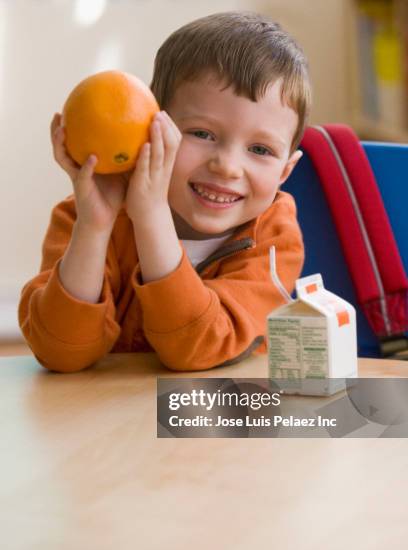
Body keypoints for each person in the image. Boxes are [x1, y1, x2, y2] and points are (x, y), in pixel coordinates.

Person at [18, 11, 312, 373]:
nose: (228, 167)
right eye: (202, 134)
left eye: (260, 150)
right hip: (103, 425)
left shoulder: (274, 239)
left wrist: (151, 214)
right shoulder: (86, 217)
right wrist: (93, 228)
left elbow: (197, 347)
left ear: (286, 170)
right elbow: (60, 352)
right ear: (151, 127)